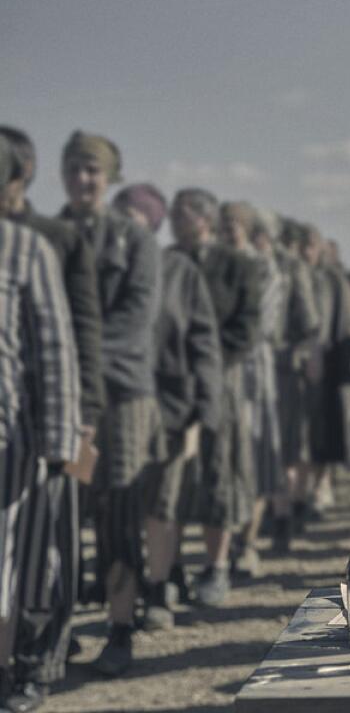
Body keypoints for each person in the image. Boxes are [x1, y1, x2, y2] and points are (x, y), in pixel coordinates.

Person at [0, 126, 102, 705]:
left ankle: (38, 660)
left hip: (43, 427)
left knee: (44, 553)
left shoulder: (49, 240)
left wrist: (79, 420)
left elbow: (78, 334)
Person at [57, 130, 161, 677]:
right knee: (61, 513)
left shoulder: (134, 241)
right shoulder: (45, 235)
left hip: (119, 400)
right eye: (74, 169)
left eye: (93, 170)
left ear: (110, 176)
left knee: (118, 512)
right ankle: (59, 629)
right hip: (60, 403)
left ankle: (120, 629)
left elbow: (135, 320)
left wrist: (75, 366)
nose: (83, 179)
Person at [113, 183, 222, 632]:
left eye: (132, 219)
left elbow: (204, 343)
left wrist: (204, 413)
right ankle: (121, 594)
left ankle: (158, 590)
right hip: (115, 407)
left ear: (151, 225)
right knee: (119, 508)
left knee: (162, 505)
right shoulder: (99, 267)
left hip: (172, 409)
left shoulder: (178, 271)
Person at [168, 188, 262, 607]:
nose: (175, 221)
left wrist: (209, 359)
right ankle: (167, 569)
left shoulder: (237, 266)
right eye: (173, 214)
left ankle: (217, 565)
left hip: (220, 382)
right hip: (169, 384)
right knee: (168, 477)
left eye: (184, 214)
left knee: (218, 473)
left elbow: (249, 324)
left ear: (204, 219)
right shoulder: (166, 263)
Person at [219, 201, 283, 576]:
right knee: (223, 466)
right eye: (223, 224)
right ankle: (223, 547)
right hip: (218, 376)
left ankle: (248, 542)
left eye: (235, 224)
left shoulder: (263, 268)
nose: (229, 230)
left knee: (255, 462)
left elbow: (262, 322)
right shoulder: (210, 265)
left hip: (253, 376)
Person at [261, 212, 319, 551]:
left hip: (283, 370)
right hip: (249, 371)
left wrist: (304, 359)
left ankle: (284, 518)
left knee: (283, 448)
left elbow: (309, 323)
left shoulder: (291, 268)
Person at [300, 224, 350, 513]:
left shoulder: (333, 282)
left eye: (310, 246)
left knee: (325, 429)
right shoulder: (299, 277)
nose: (305, 253)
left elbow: (349, 325)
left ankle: (322, 483)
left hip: (329, 366)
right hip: (299, 367)